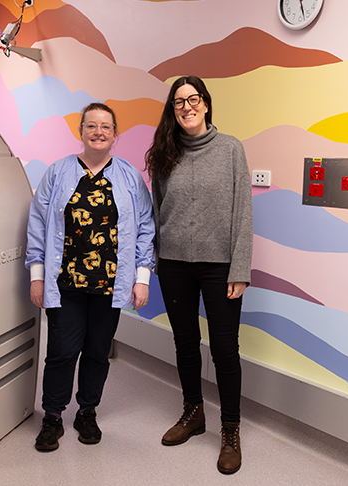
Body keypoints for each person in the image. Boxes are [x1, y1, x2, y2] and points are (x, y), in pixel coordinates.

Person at [26, 102, 155, 452]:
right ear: (80, 131)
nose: (99, 132)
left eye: (106, 127)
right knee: (62, 351)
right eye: (91, 126)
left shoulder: (129, 177)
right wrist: (37, 274)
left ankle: (87, 411)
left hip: (110, 283)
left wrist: (141, 277)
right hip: (64, 281)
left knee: (98, 351)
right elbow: (38, 223)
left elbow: (145, 227)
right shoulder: (58, 173)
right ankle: (52, 415)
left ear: (115, 134)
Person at [145, 76, 253, 474]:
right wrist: (154, 258)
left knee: (225, 350)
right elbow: (157, 211)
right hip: (173, 265)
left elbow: (243, 213)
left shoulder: (230, 150)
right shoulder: (165, 153)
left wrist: (239, 268)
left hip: (220, 267)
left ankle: (230, 430)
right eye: (178, 102)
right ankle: (193, 414)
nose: (187, 107)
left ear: (206, 104)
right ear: (173, 110)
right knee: (185, 342)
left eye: (193, 99)